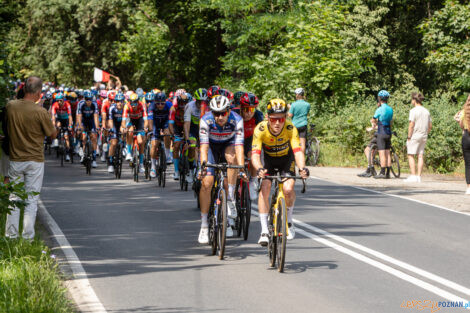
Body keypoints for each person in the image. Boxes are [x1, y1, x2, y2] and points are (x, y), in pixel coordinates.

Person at [5, 76, 57, 240]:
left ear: (24, 89)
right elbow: (52, 134)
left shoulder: (11, 107)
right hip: (35, 160)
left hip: (15, 159)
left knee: (14, 199)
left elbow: (6, 127)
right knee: (31, 200)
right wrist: (48, 116)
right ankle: (27, 238)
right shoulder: (40, 112)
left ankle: (11, 236)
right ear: (39, 93)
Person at [252, 99, 309, 245]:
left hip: (286, 159)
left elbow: (297, 152)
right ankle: (264, 230)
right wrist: (259, 168)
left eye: (281, 119)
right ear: (267, 118)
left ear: (286, 118)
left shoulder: (291, 128)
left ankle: (289, 222)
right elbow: (255, 154)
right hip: (268, 160)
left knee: (288, 189)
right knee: (265, 187)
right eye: (273, 119)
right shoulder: (260, 129)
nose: (277, 123)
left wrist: (302, 168)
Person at [197, 95, 246, 243]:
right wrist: (203, 167)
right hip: (211, 146)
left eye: (223, 113)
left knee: (232, 158)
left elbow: (239, 148)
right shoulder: (205, 120)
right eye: (216, 113)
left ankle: (230, 197)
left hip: (228, 144)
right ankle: (204, 225)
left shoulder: (237, 120)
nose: (219, 117)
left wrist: (242, 169)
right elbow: (204, 148)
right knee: (207, 183)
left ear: (228, 111)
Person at [405, 92, 432, 183]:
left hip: (415, 135)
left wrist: (409, 136)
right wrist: (426, 132)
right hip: (424, 135)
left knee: (410, 154)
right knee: (420, 155)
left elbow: (411, 124)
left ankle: (413, 175)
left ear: (414, 100)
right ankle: (419, 176)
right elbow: (430, 125)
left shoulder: (413, 111)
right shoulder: (426, 111)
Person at [122, 92, 148, 173]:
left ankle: (141, 164)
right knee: (130, 131)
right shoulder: (126, 106)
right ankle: (129, 153)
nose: (133, 105)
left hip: (140, 121)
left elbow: (146, 120)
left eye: (135, 103)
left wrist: (145, 127)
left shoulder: (142, 105)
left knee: (140, 142)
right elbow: (123, 121)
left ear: (138, 102)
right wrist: (125, 128)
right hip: (130, 121)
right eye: (132, 103)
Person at [148, 91, 171, 178]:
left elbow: (172, 117)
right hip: (155, 124)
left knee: (167, 134)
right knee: (154, 144)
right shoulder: (151, 106)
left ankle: (167, 155)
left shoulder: (169, 105)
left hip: (165, 123)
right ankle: (153, 167)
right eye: (158, 103)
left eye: (162, 103)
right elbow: (150, 122)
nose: (160, 105)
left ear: (165, 102)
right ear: (155, 102)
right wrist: (151, 131)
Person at [371, 90, 393, 179]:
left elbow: (373, 119)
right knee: (388, 153)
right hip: (388, 132)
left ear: (379, 98)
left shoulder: (379, 109)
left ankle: (382, 172)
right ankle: (388, 173)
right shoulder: (390, 109)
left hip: (381, 132)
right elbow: (391, 121)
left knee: (382, 153)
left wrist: (374, 123)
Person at [76, 90, 100, 167]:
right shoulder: (81, 103)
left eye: (90, 99)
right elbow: (79, 116)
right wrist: (80, 126)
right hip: (83, 120)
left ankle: (94, 159)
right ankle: (81, 149)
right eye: (87, 99)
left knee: (93, 137)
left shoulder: (95, 104)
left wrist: (97, 127)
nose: (89, 101)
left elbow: (96, 116)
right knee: (83, 136)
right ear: (84, 99)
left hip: (91, 121)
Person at [454, 94, 470, 194]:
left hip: (466, 136)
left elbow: (461, 125)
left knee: (468, 164)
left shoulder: (464, 111)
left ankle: (469, 187)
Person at [288, 88, 311, 155]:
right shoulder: (307, 104)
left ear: (297, 95)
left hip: (295, 125)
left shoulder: (293, 104)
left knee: (293, 142)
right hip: (303, 124)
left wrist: (290, 108)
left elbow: (290, 115)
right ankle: (302, 159)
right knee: (302, 143)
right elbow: (306, 113)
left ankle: (294, 159)